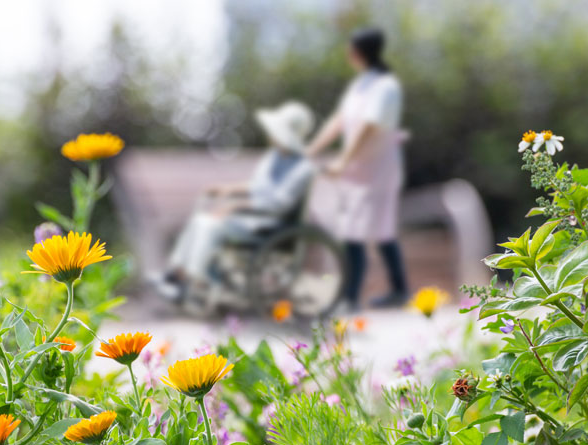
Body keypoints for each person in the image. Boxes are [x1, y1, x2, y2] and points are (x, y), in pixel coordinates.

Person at [161, 101, 315, 300]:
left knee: (210, 225)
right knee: (200, 219)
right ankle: (177, 272)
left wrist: (236, 206)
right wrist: (227, 190)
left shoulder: (302, 169)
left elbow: (278, 204)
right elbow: (257, 187)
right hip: (249, 217)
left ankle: (192, 280)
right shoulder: (273, 158)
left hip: (267, 225)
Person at [306, 27, 409, 311]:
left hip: (378, 168)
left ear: (361, 51)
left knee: (370, 231)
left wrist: (343, 160)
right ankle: (389, 292)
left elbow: (368, 127)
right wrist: (311, 150)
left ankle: (355, 297)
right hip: (359, 169)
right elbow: (339, 121)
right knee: (363, 230)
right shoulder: (361, 84)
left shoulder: (386, 86)